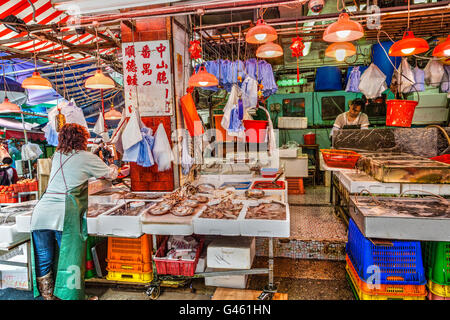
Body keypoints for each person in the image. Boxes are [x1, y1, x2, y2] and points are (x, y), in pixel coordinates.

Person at [30, 123, 118, 300]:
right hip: (64, 215)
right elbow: (111, 175)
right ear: (82, 139)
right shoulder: (85, 156)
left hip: (40, 214)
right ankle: (73, 298)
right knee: (71, 259)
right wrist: (114, 166)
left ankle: (49, 297)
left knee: (44, 260)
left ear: (62, 139)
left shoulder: (57, 155)